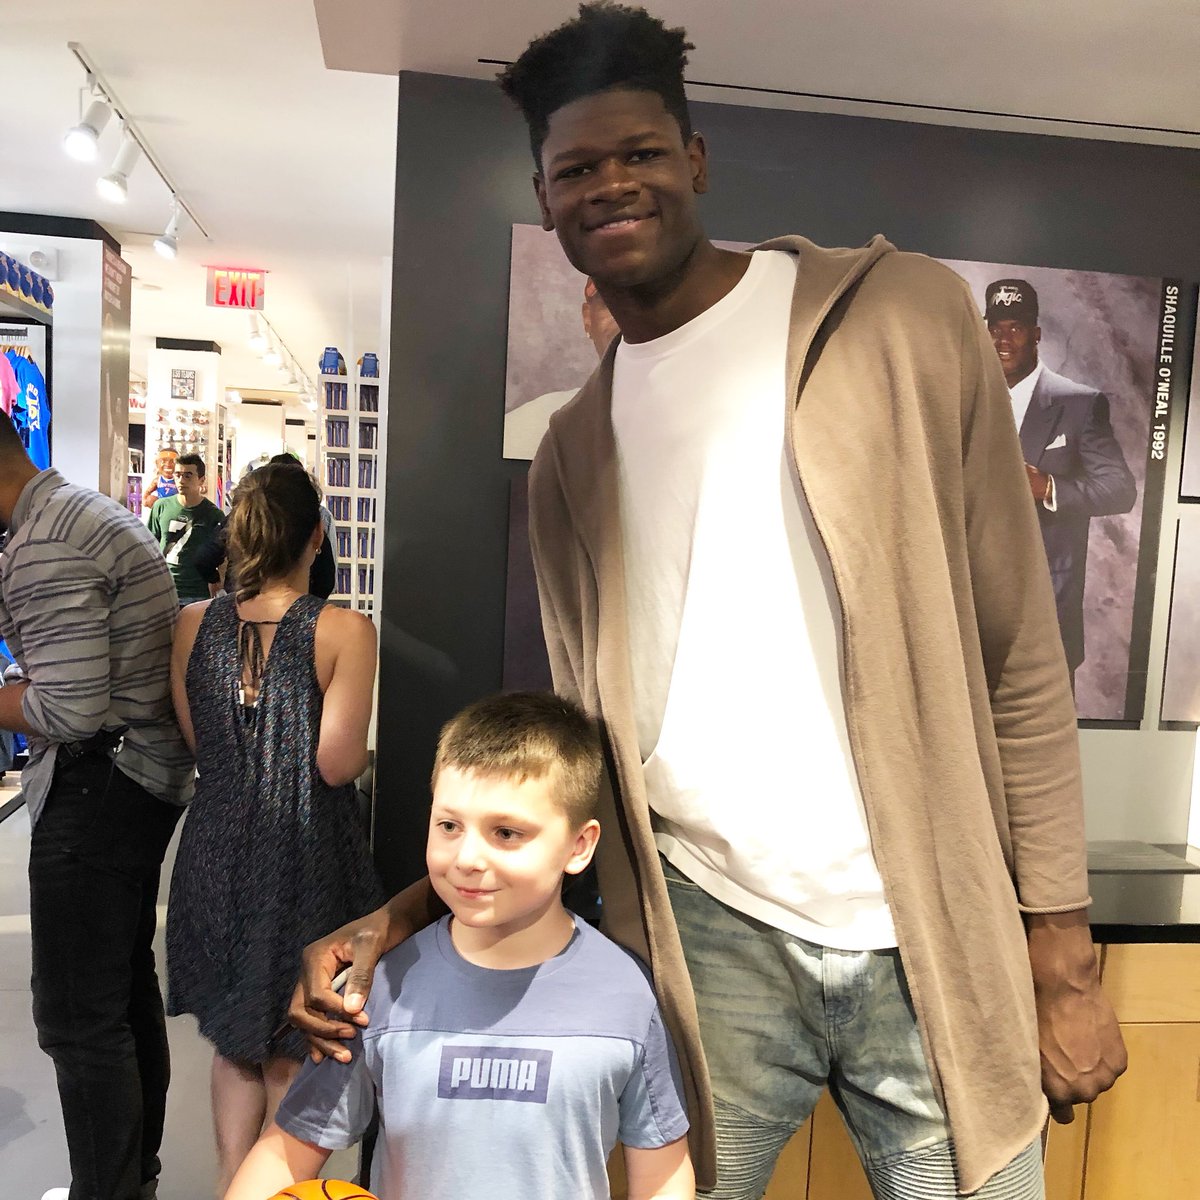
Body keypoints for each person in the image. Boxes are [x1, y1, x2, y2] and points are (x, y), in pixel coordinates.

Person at [292, 6, 1126, 1199]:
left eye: (640, 151)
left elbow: (1020, 655)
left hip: (931, 920)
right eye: (577, 167)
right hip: (708, 935)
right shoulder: (574, 455)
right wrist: (404, 916)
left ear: (695, 159)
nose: (611, 184)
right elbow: (577, 757)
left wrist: (1064, 958)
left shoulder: (899, 317)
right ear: (543, 196)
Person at [228, 692, 692, 1200]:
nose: (468, 858)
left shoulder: (624, 993)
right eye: (449, 825)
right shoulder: (379, 988)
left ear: (579, 846)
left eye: (506, 833)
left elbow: (662, 1175)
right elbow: (286, 1152)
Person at [165, 463, 384, 1192]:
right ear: (315, 536)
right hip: (302, 853)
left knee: (234, 1038)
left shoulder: (192, 624)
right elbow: (336, 764)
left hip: (215, 845)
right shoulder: (344, 630)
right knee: (295, 1042)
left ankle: (234, 1181)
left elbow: (200, 741)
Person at [0, 412, 194, 1200]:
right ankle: (129, 1181)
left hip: (100, 782)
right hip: (132, 777)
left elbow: (68, 710)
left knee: (78, 1017)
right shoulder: (73, 514)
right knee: (117, 994)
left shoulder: (47, 541)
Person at [984, 278, 1137, 686]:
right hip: (971, 612)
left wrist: (1049, 488)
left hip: (1045, 613)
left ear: (1036, 334)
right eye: (995, 328)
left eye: (1015, 328)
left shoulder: (1078, 402)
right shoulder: (966, 399)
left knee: (1044, 726)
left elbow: (1120, 489)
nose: (1003, 340)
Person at [504, 277, 619, 459]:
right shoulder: (528, 428)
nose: (627, 320)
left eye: (646, 303)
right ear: (588, 318)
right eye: (611, 303)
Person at [193, 455, 337, 600]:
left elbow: (204, 557)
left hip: (242, 598)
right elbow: (326, 580)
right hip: (297, 600)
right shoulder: (313, 517)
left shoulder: (243, 515)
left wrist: (216, 582)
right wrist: (310, 605)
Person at [147, 453, 226, 605]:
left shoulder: (213, 514)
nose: (181, 480)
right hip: (165, 590)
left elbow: (222, 557)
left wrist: (218, 585)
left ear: (201, 480)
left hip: (198, 593)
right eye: (177, 475)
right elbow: (150, 545)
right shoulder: (161, 507)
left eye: (188, 476)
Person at [142, 447, 179, 512]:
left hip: (174, 506)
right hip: (161, 505)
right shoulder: (157, 480)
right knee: (150, 499)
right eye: (163, 461)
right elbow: (148, 491)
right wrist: (145, 500)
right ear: (157, 464)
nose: (168, 464)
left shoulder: (178, 480)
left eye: (172, 461)